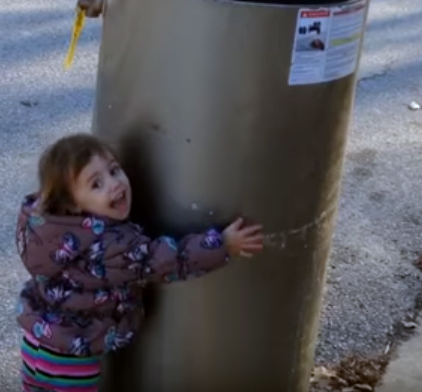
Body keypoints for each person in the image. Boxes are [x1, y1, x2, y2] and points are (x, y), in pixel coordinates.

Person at [15, 133, 264, 392]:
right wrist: (222, 244)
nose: (114, 184)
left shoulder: (45, 229)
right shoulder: (112, 244)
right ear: (72, 204)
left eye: (113, 170)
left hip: (36, 341)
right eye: (96, 184)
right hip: (71, 356)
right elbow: (169, 260)